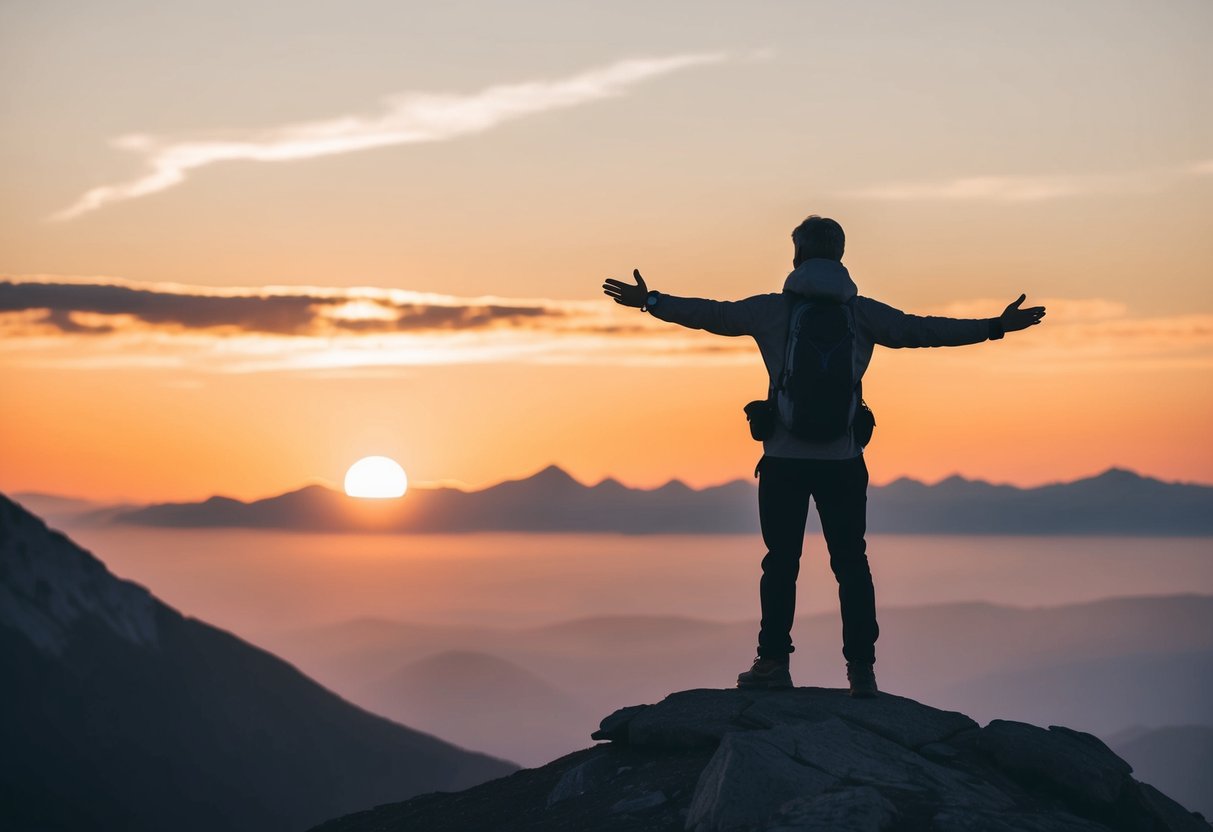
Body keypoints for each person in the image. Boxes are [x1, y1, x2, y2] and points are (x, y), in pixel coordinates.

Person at [602, 215, 1045, 697]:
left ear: (796, 255)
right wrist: (995, 327)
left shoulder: (773, 311)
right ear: (840, 255)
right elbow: (925, 330)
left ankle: (773, 664)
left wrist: (651, 301)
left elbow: (714, 314)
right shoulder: (863, 314)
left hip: (784, 460)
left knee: (781, 562)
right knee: (852, 563)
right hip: (843, 461)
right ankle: (862, 672)